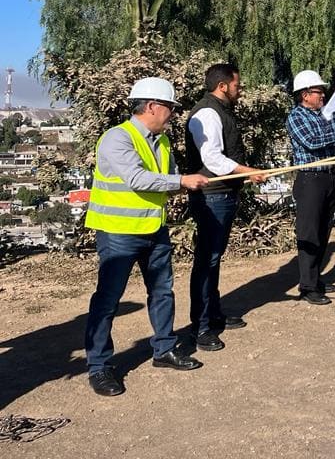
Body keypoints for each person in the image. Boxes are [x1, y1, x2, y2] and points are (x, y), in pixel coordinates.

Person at [83, 77, 210, 397]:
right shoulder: (116, 138)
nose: (172, 113)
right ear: (152, 106)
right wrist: (181, 179)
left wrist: (184, 183)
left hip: (154, 229)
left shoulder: (162, 142)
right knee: (108, 300)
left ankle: (164, 349)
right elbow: (138, 179)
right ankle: (99, 366)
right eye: (170, 107)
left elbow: (163, 181)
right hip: (119, 234)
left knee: (162, 292)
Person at [184, 63, 267, 352]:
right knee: (207, 261)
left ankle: (214, 314)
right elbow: (214, 160)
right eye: (237, 85)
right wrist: (248, 171)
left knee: (214, 259)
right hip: (212, 197)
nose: (239, 89)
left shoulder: (219, 110)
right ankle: (201, 325)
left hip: (223, 195)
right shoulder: (207, 113)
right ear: (222, 86)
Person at [286, 70, 335, 305]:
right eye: (318, 91)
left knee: (324, 228)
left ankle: (315, 278)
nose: (323, 95)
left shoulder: (326, 114)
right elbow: (311, 142)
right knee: (309, 233)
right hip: (309, 180)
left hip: (327, 177)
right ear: (305, 95)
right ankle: (307, 286)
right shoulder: (296, 116)